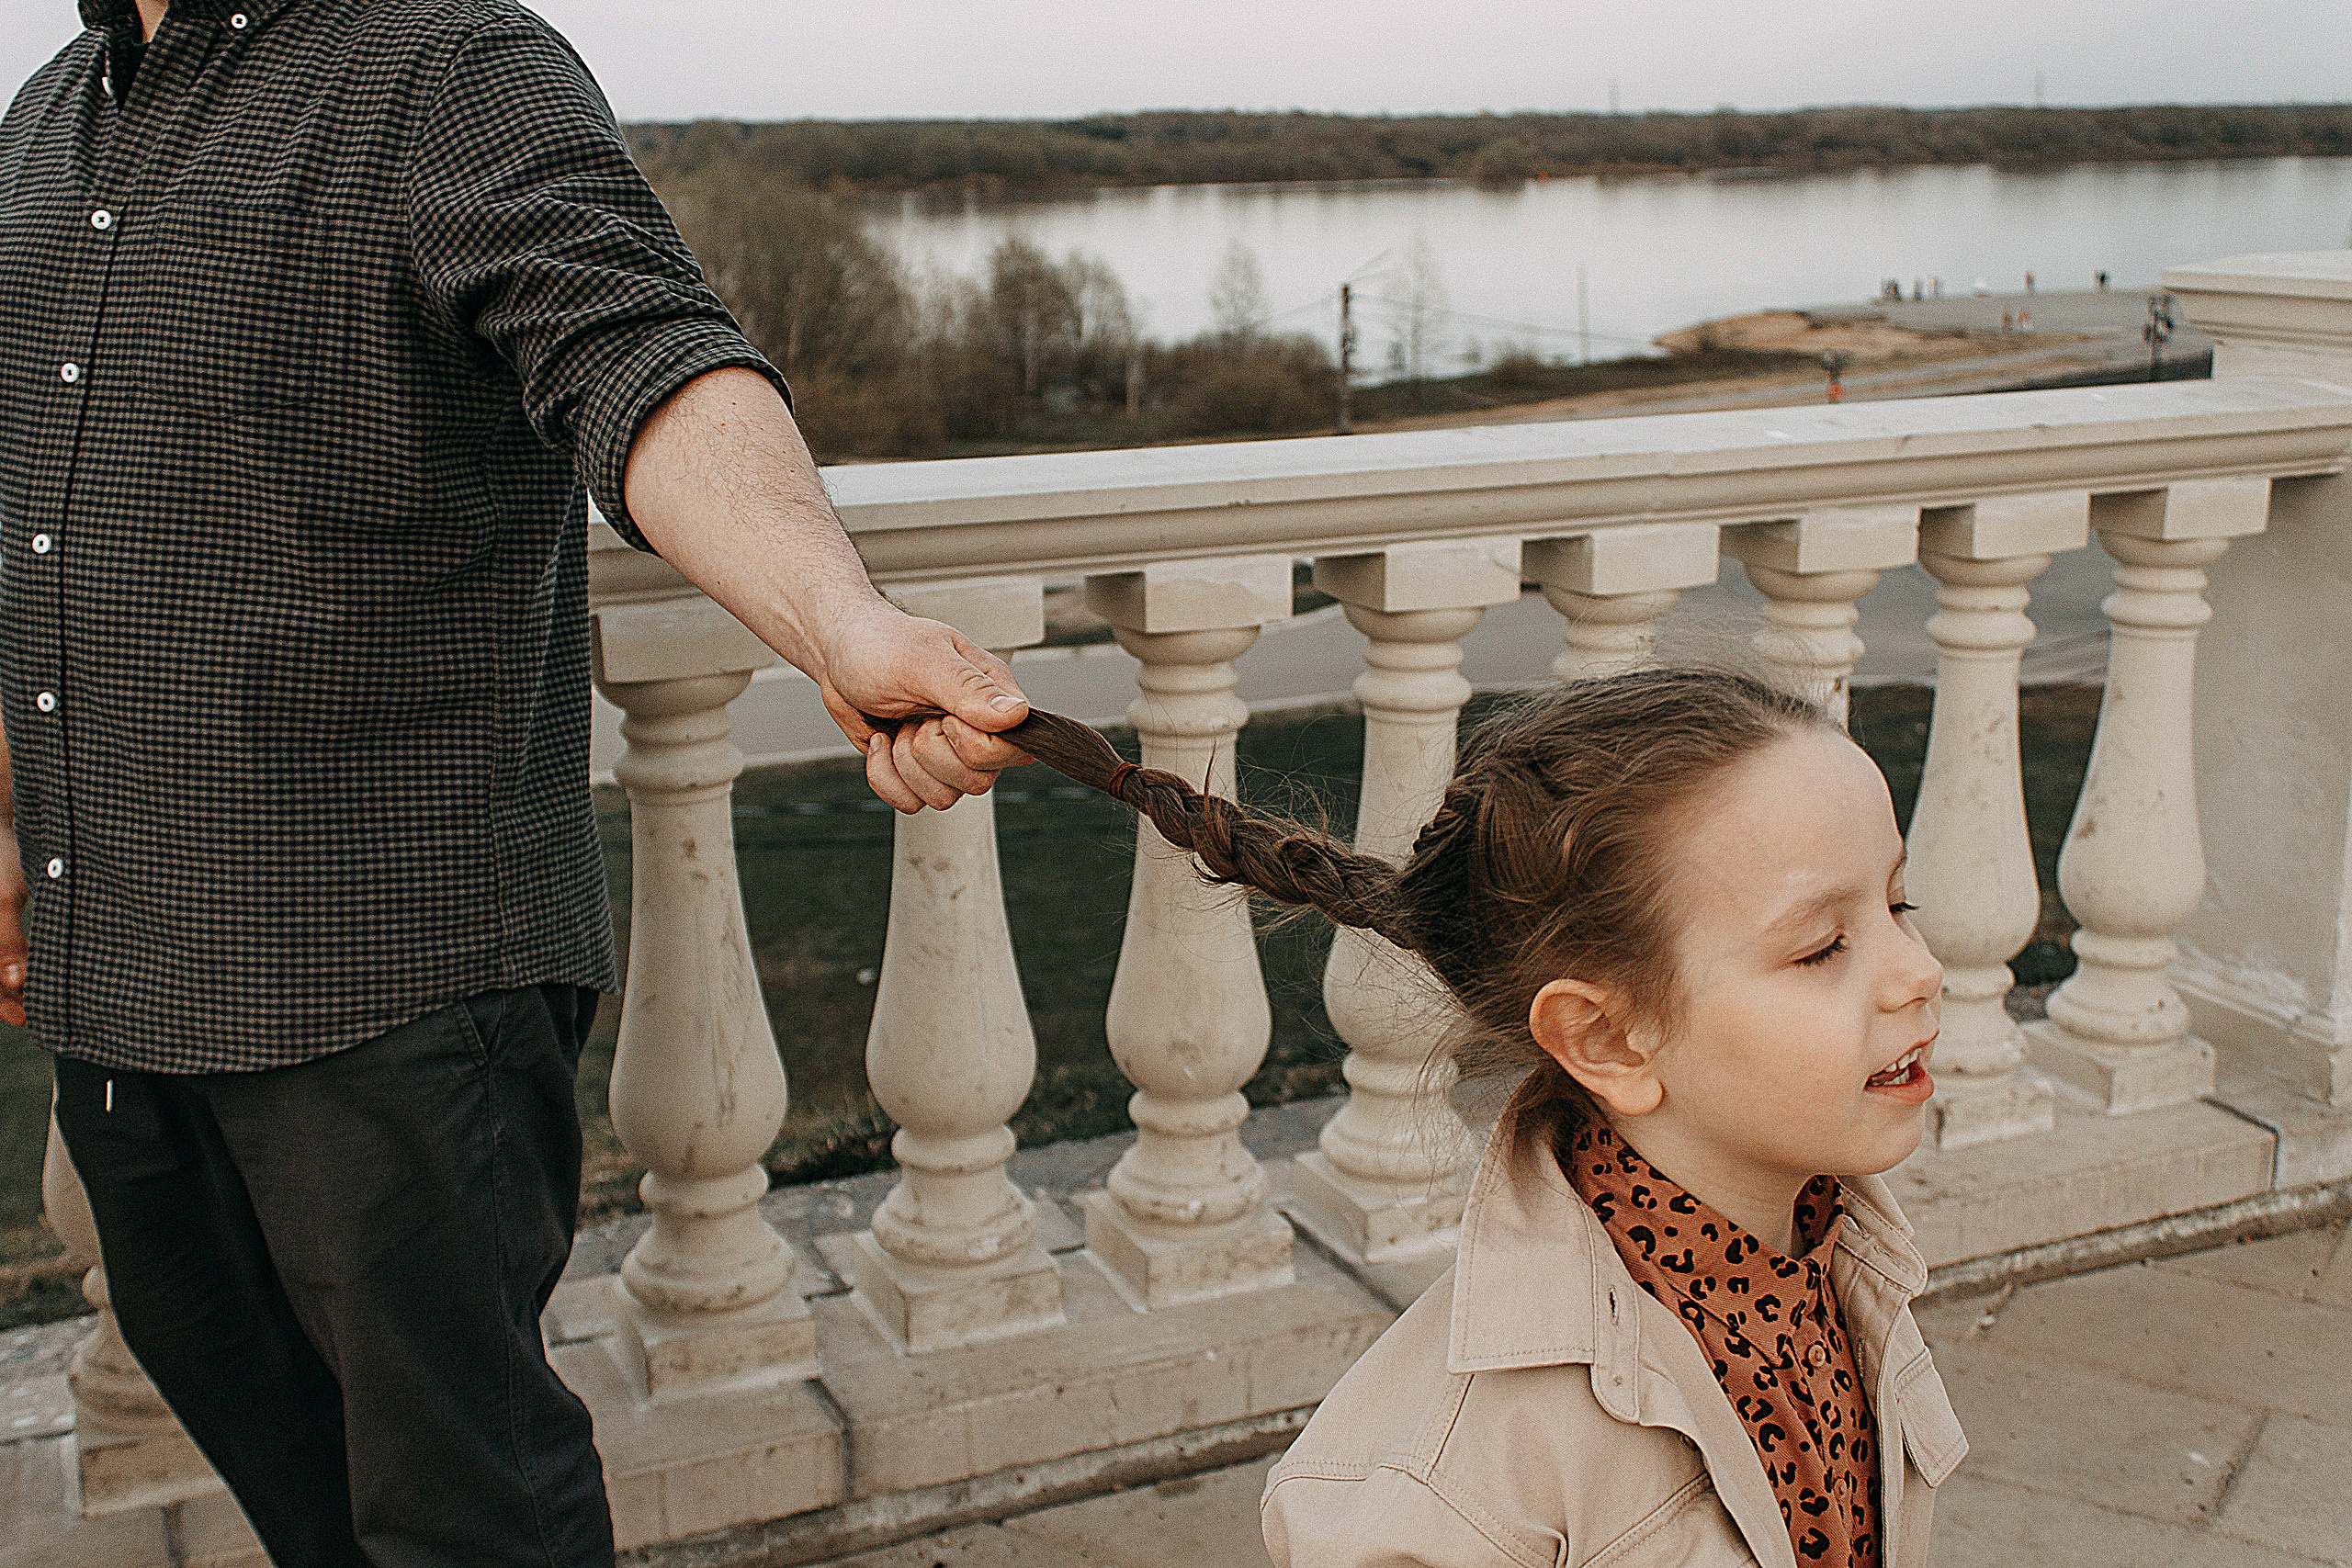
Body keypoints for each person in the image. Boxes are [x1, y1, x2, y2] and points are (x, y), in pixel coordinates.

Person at [3, 2, 1024, 1564]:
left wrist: (844, 617)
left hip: (385, 993)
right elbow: (48, 492)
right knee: (291, 1479)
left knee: (469, 1516)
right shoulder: (59, 104)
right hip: (113, 975)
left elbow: (645, 354)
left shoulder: (447, 67)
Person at [1003, 671, 1967, 1568]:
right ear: (1607, 1041)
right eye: (1820, 948)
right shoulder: (1452, 1489)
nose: (1918, 970)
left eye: (1897, 901)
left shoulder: (1840, 1264)